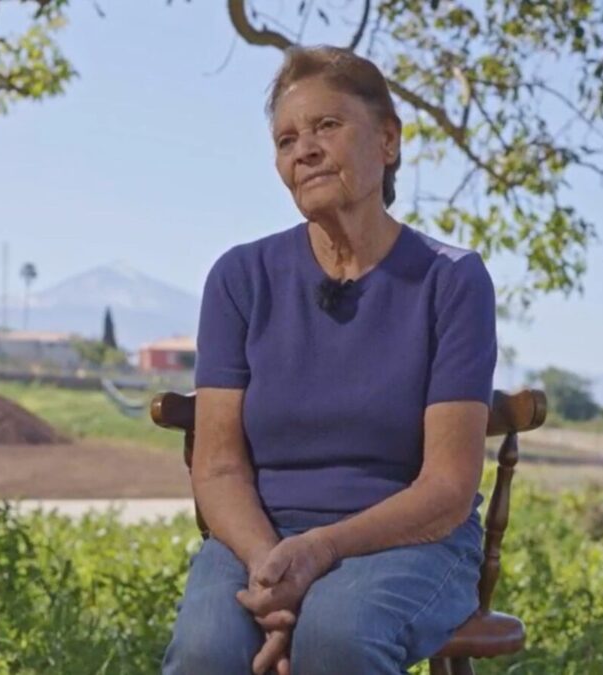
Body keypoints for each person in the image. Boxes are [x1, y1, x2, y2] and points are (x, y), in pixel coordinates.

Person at [161, 44, 498, 675]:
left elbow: (448, 488)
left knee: (337, 636)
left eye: (327, 127)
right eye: (287, 140)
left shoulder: (452, 281)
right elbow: (219, 468)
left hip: (410, 538)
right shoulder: (240, 277)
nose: (304, 149)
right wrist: (273, 565)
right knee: (208, 651)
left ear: (388, 142)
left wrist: (319, 552)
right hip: (258, 534)